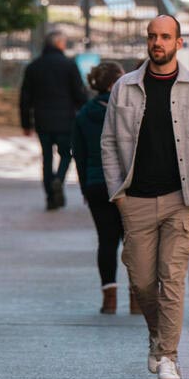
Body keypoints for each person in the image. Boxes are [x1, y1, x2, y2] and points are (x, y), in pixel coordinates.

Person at [101, 15, 189, 379]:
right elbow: (108, 142)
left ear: (178, 43)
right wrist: (118, 192)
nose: (157, 43)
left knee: (171, 279)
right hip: (135, 200)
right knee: (142, 282)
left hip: (182, 199)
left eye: (164, 37)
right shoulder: (125, 87)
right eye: (152, 36)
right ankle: (158, 339)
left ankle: (168, 357)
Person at [72, 62, 127, 315]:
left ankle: (109, 299)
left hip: (96, 184)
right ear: (113, 84)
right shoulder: (126, 111)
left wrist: (85, 186)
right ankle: (137, 298)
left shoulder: (84, 114)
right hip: (126, 185)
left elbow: (79, 154)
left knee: (106, 241)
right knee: (134, 242)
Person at [20, 26, 90, 212]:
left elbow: (25, 98)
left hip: (42, 120)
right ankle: (59, 178)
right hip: (65, 120)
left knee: (47, 158)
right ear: (59, 43)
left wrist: (26, 124)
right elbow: (79, 94)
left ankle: (50, 197)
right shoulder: (69, 65)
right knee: (66, 154)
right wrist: (85, 113)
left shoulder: (33, 67)